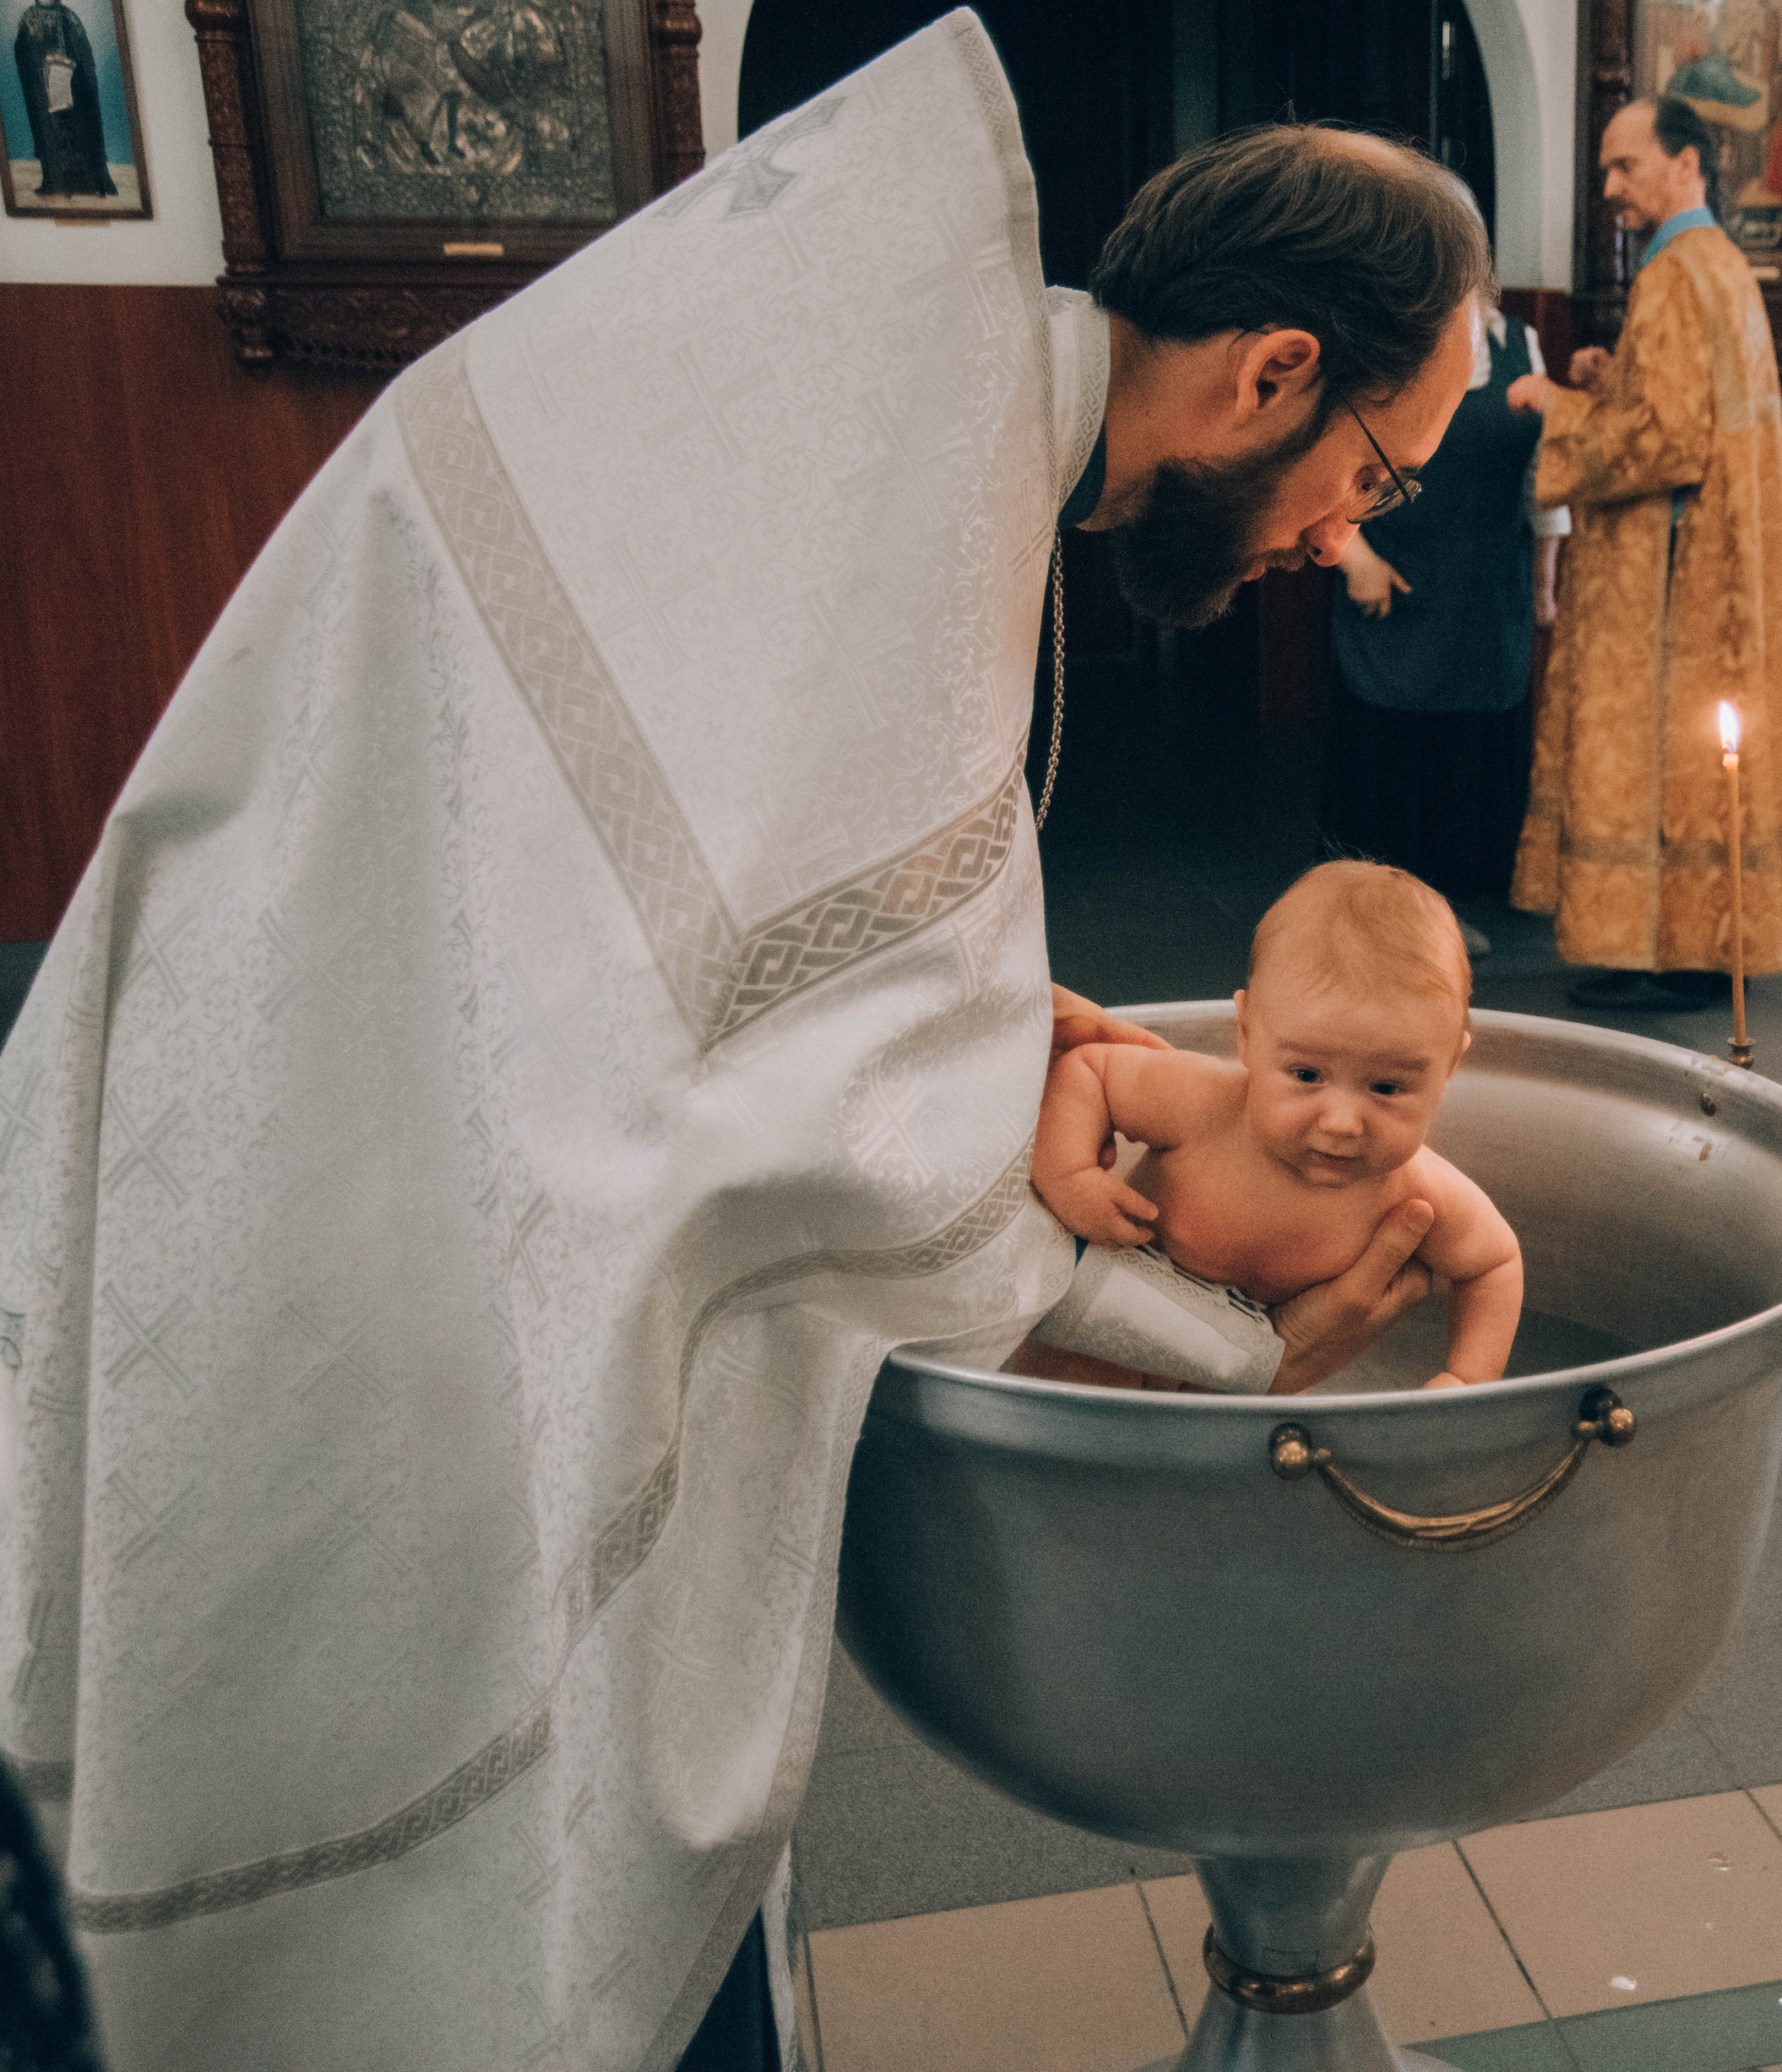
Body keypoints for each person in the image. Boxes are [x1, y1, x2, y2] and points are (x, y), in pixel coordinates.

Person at [0, 19, 1489, 2069]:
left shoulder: (910, 365)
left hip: (311, 1037)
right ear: (1267, 376)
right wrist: (1234, 1354)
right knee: (476, 1828)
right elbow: (853, 1123)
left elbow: (798, 967)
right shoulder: (920, 441)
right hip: (364, 1153)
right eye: (1372, 471)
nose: (1343, 532)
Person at [1505, 94, 1782, 1013]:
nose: (1609, 187)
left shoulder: (1675, 273)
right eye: (1605, 169)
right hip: (1718, 563)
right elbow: (1690, 407)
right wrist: (1612, 376)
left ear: (1687, 164)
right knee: (1695, 751)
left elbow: (1664, 443)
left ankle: (1673, 949)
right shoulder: (1719, 266)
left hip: (1671, 577)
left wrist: (1551, 401)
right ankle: (1700, 936)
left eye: (1624, 165)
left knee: (1664, 749)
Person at [1032, 862, 1524, 1390]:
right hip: (1105, 1323)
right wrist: (1070, 1173)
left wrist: (1467, 1377)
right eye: (1306, 1075)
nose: (1342, 1123)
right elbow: (1092, 1069)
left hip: (1243, 1387)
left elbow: (1494, 1264)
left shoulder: (1418, 1191)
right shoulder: (1204, 1104)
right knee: (1067, 1405)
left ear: (1450, 1066)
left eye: (1387, 1088)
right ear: (1246, 1034)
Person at [1322, 242, 1570, 941]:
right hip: (1394, 575)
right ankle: (1382, 908)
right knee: (1395, 749)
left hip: (1488, 580)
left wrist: (1546, 577)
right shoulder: (1380, 342)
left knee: (1471, 743)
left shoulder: (1519, 343)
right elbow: (1330, 461)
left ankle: (1450, 903)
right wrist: (1353, 554)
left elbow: (1543, 476)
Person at [12, 0, 117, 198]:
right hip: (42, 91)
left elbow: (84, 55)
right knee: (49, 135)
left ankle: (86, 184)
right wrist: (36, 53)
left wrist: (67, 63)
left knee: (77, 133)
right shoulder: (29, 18)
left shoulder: (69, 17)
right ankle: (54, 182)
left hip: (70, 90)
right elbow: (22, 51)